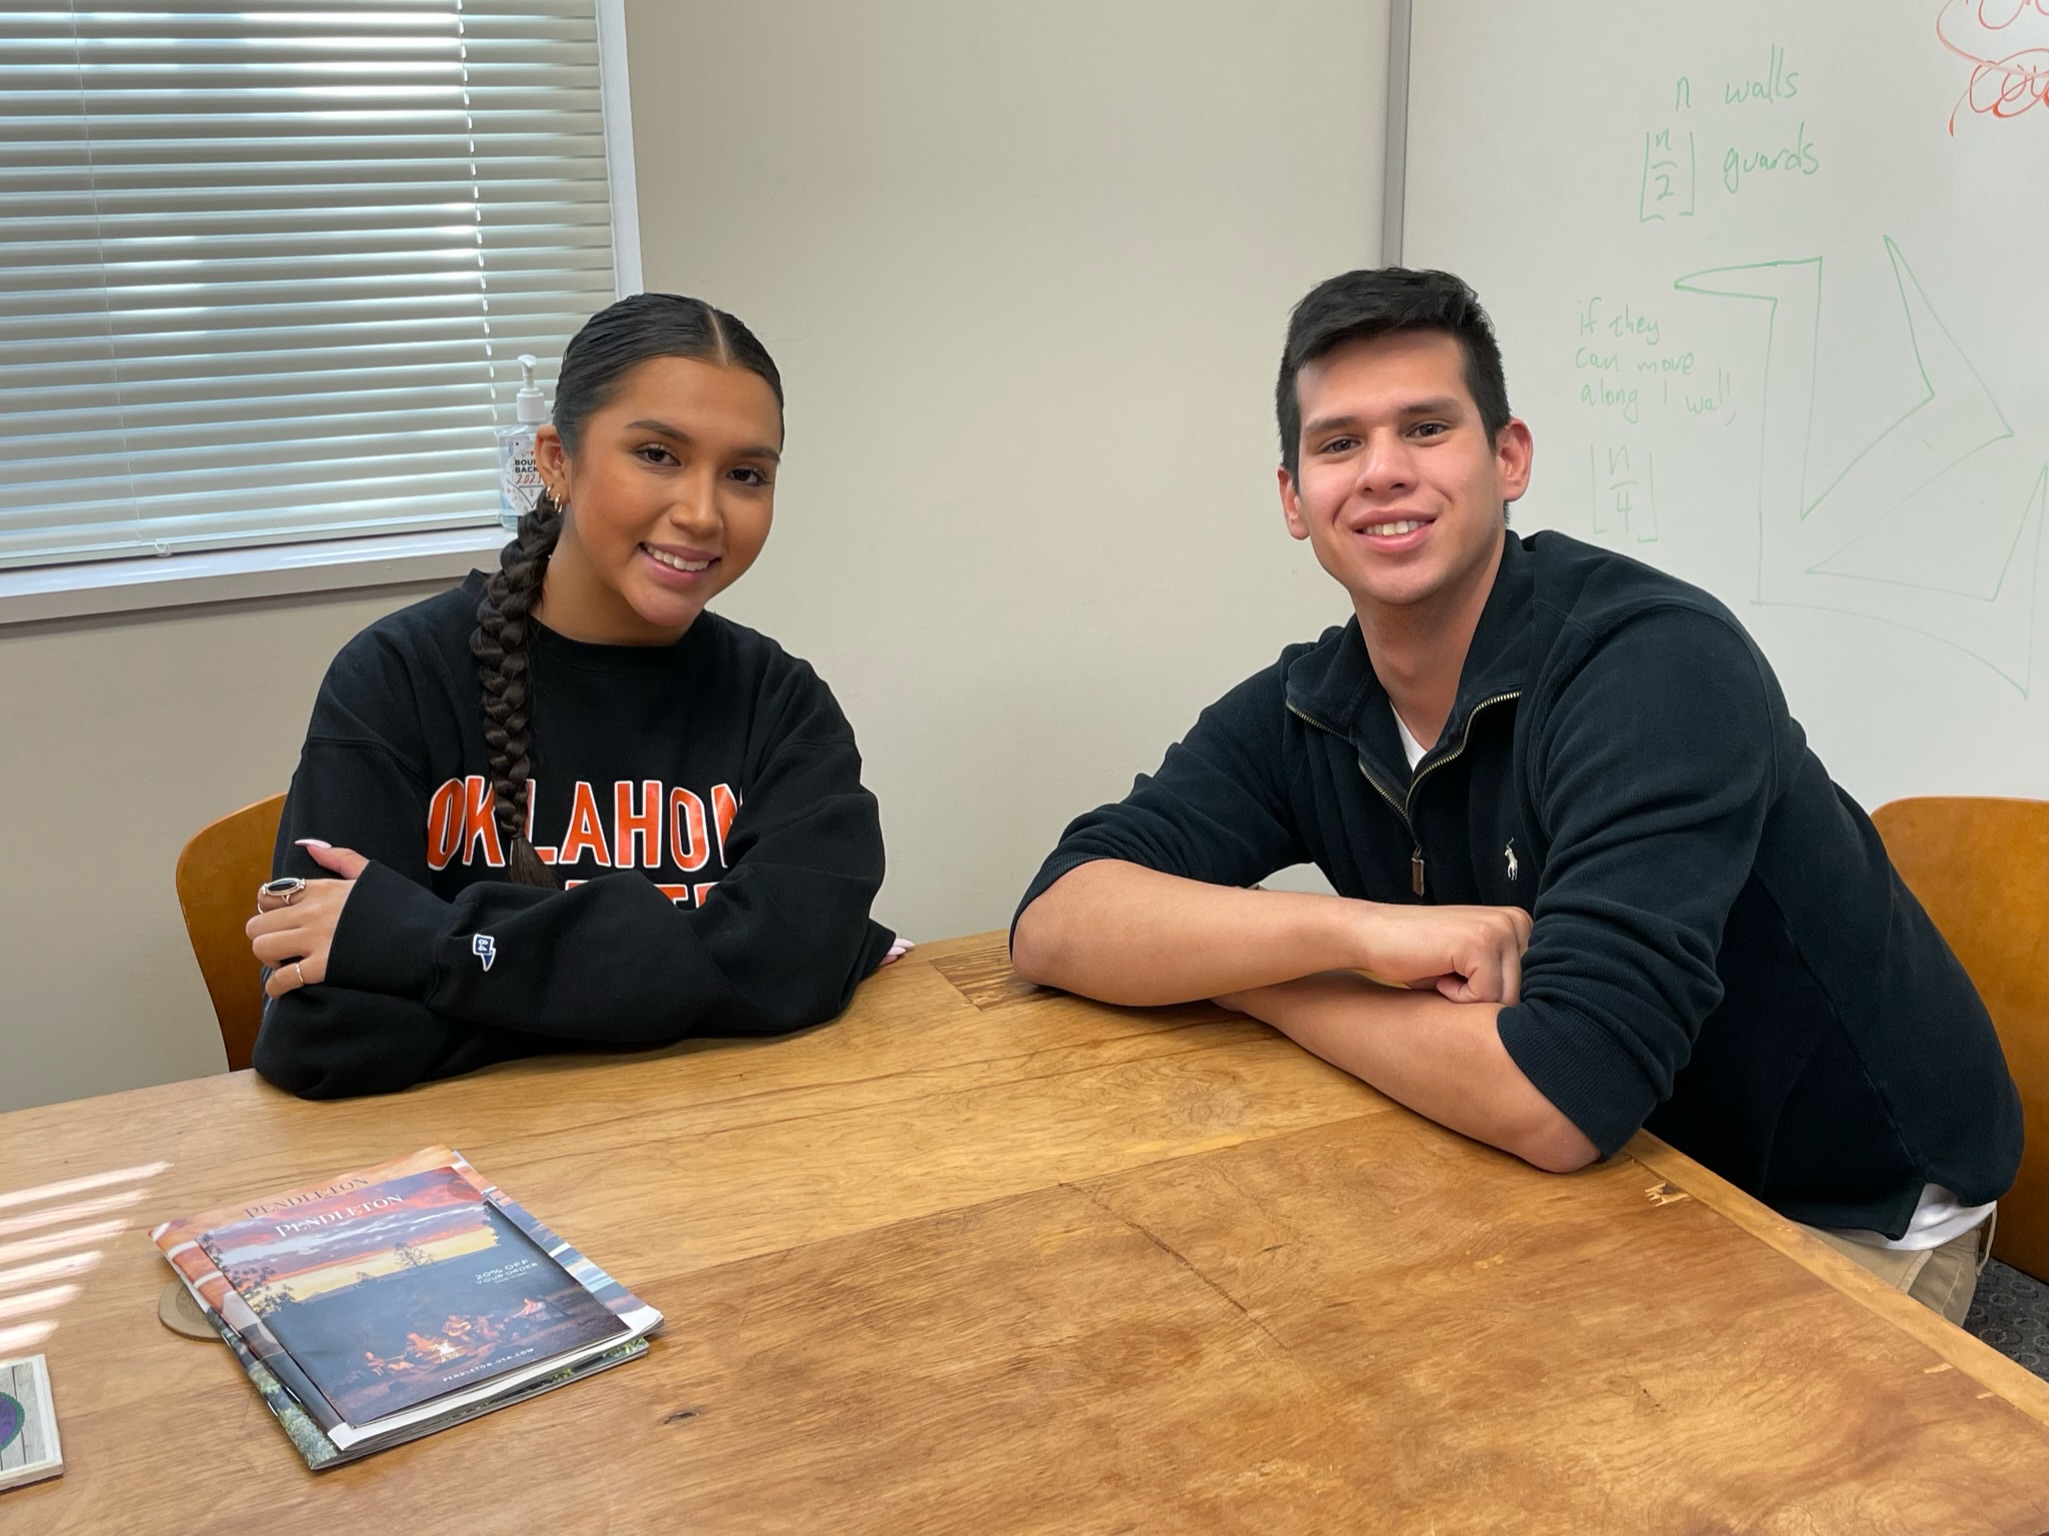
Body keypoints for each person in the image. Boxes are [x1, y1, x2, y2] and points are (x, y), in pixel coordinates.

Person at [1010, 267, 2022, 1323]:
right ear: (1293, 499)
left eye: (1427, 428)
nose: (1383, 473)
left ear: (1509, 458)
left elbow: (1560, 1096)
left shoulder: (1654, 667)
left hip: (1836, 1212)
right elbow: (1058, 916)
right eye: (1340, 443)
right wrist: (1352, 932)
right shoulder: (1311, 702)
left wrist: (1252, 980)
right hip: (1622, 1166)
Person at [247, 293, 897, 1098]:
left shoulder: (784, 705)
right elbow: (325, 1035)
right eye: (658, 453)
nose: (701, 512)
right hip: (461, 1179)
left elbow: (797, 962)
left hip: (715, 1158)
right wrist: (690, 979)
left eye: (744, 475)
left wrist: (422, 944)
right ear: (556, 459)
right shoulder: (394, 677)